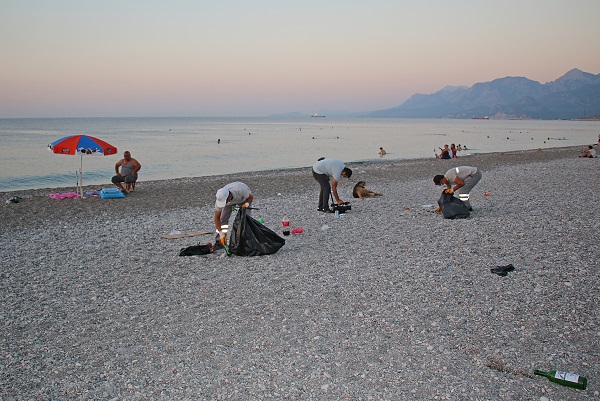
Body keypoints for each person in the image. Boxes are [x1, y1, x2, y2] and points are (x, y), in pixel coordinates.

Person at [213, 182, 254, 247]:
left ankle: (246, 240)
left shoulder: (240, 189)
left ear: (229, 196)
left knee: (246, 219)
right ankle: (219, 242)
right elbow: (217, 218)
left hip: (243, 199)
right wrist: (221, 233)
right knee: (222, 219)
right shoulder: (220, 199)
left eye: (225, 201)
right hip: (230, 203)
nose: (224, 203)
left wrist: (247, 204)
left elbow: (251, 197)